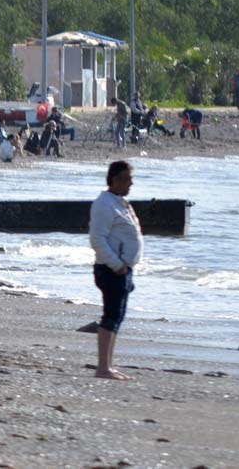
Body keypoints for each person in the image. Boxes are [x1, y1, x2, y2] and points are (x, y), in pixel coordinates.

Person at [88, 160, 142, 381]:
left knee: (117, 317)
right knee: (111, 316)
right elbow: (97, 239)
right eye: (128, 179)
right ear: (114, 180)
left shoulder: (121, 203)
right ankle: (103, 367)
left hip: (123, 269)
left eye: (131, 179)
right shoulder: (104, 204)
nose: (131, 183)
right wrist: (117, 265)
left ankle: (108, 364)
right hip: (111, 269)